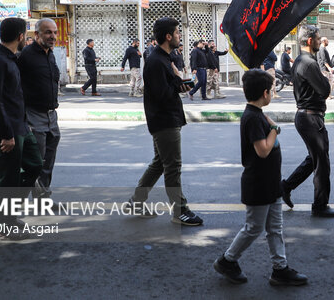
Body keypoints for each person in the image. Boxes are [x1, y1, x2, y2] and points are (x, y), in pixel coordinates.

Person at [213, 69, 308, 286]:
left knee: (275, 228)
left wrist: (270, 124)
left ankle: (280, 269)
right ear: (265, 93)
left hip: (270, 182)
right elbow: (263, 150)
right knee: (253, 228)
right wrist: (274, 128)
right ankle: (227, 260)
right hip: (258, 184)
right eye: (272, 90)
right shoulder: (253, 118)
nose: (273, 93)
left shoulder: (256, 114)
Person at [125, 17, 203, 225]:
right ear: (168, 36)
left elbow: (166, 88)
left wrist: (178, 81)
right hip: (164, 121)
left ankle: (137, 201)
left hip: (166, 119)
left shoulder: (163, 58)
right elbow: (161, 94)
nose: (180, 36)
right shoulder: (156, 61)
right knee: (173, 166)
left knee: (160, 163)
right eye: (178, 32)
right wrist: (180, 85)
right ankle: (180, 211)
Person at [0, 17, 42, 241]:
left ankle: (8, 213)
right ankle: (1, 224)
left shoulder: (11, 59)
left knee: (34, 165)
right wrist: (6, 134)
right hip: (8, 130)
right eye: (25, 35)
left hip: (20, 125)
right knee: (6, 176)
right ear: (20, 37)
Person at [281, 25, 334, 218]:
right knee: (322, 162)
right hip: (310, 117)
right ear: (309, 41)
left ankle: (286, 186)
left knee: (314, 158)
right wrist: (325, 78)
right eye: (317, 38)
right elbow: (324, 90)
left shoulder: (301, 60)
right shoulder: (308, 63)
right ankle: (320, 206)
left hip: (307, 116)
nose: (319, 41)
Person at [17, 18, 61, 201]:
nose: (53, 36)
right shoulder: (25, 55)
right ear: (37, 34)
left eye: (55, 32)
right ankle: (12, 209)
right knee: (36, 161)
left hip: (52, 115)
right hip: (33, 114)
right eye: (48, 32)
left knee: (48, 160)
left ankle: (43, 197)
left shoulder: (50, 53)